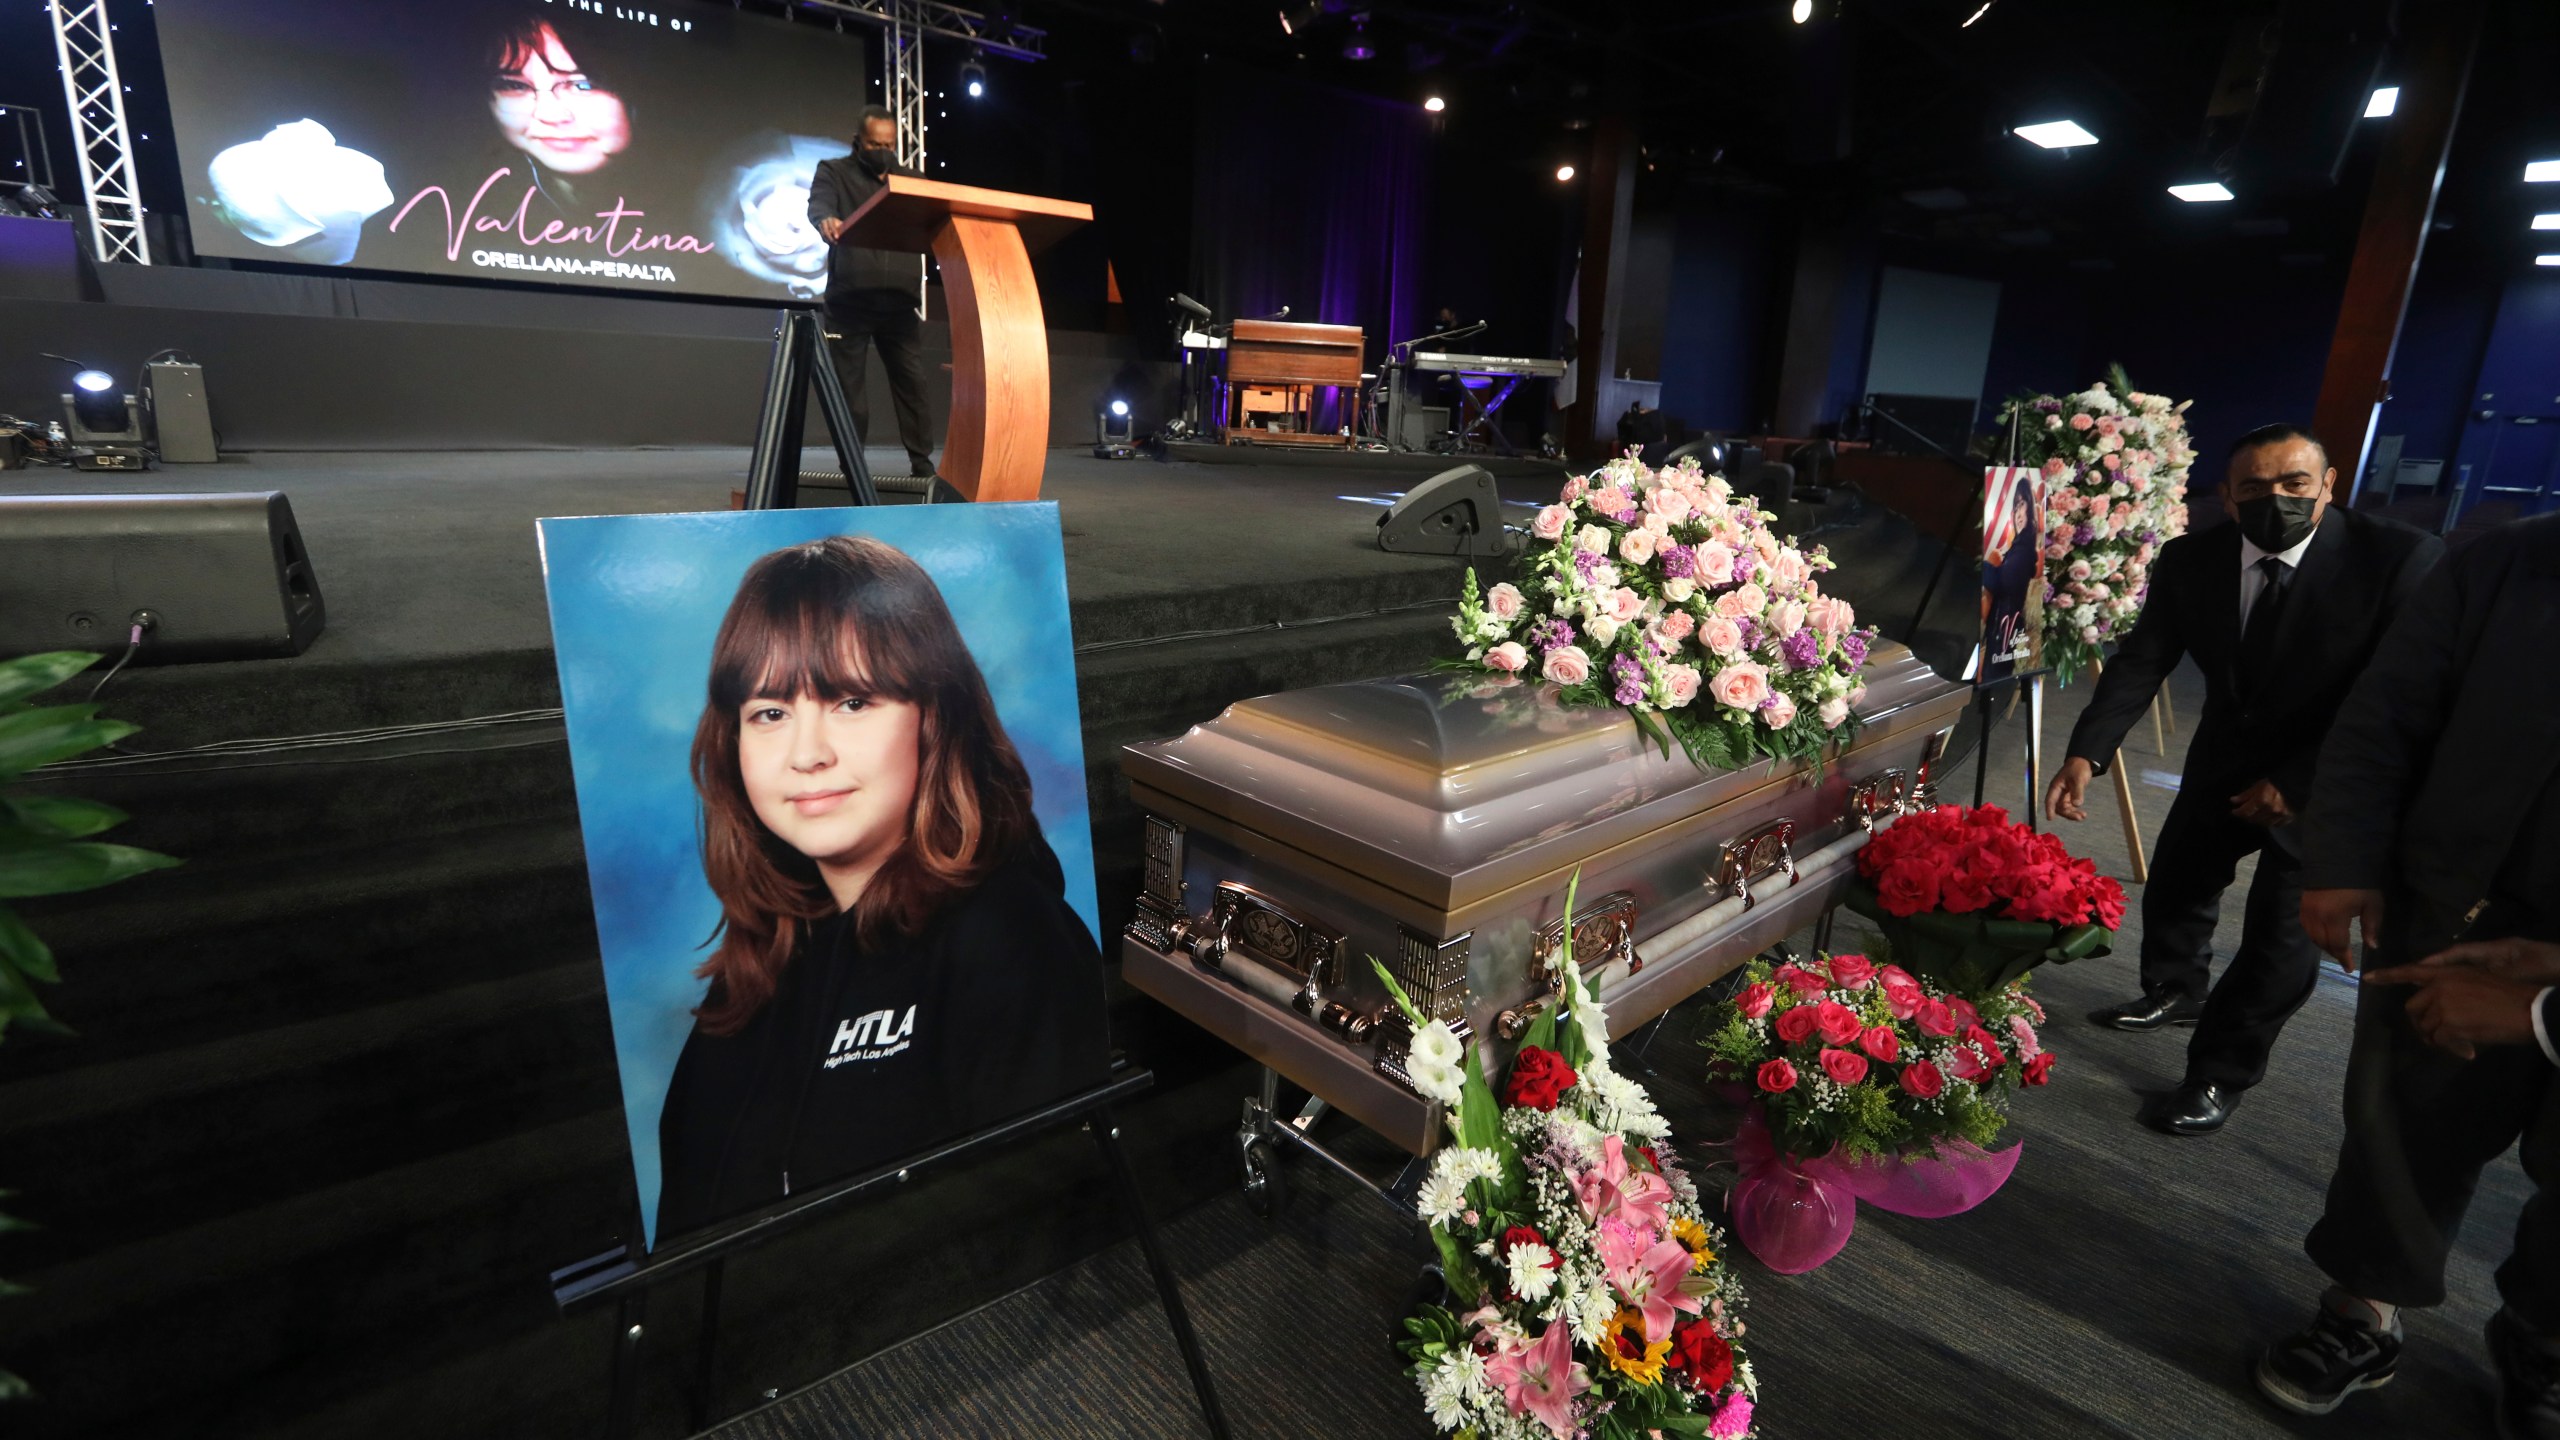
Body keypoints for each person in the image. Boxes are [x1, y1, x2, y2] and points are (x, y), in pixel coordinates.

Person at [653, 535, 1111, 1240]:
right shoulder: (763, 960)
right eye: (769, 713)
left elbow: (1033, 1241)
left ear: (936, 717)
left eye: (853, 702)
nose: (807, 755)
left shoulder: (1009, 941)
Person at [2253, 512, 2560, 1433]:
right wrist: (2342, 857)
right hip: (2451, 906)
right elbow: (2384, 714)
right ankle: (2365, 1305)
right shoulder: (2506, 562)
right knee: (2407, 1125)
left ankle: (2543, 1340)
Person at [2046, 423, 2440, 1136]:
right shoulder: (2192, 560)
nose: (2276, 499)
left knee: (2279, 940)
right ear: (2227, 498)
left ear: (2328, 484)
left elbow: (2396, 696)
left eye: (2294, 484)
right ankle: (2177, 990)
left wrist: (2297, 781)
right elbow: (2144, 658)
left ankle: (2217, 1076)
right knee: (2177, 885)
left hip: (2335, 779)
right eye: (2255, 487)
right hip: (2225, 760)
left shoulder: (2400, 561)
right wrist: (2089, 752)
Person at [807, 108, 937, 479]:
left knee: (913, 386)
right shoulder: (834, 172)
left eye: (889, 145)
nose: (882, 150)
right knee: (850, 393)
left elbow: (934, 219)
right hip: (850, 301)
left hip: (899, 302)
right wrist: (825, 220)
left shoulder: (913, 180)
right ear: (858, 142)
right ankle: (851, 465)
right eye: (875, 144)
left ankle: (923, 465)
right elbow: (819, 206)